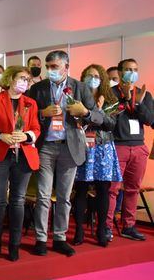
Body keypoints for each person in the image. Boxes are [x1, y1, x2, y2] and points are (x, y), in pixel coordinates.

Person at [27, 50, 103, 257]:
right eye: (48, 67)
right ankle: (41, 239)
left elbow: (99, 116)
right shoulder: (37, 88)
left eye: (55, 67)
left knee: (64, 197)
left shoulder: (80, 87)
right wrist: (42, 113)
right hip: (45, 147)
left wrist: (85, 112)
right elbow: (24, 114)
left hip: (70, 147)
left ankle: (60, 237)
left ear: (66, 67)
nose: (51, 70)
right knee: (43, 196)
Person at [0, 66, 40, 261]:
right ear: (10, 78)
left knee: (18, 200)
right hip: (0, 153)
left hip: (23, 155)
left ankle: (14, 244)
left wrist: (27, 136)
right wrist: (0, 135)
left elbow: (37, 129)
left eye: (27, 79)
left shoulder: (31, 102)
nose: (25, 81)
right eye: (22, 77)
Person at [72, 64, 121, 247]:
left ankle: (101, 230)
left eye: (96, 76)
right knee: (81, 189)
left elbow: (110, 124)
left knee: (103, 189)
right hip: (81, 146)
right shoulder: (76, 98)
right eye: (88, 75)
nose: (92, 79)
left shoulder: (109, 99)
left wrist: (98, 110)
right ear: (83, 77)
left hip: (103, 147)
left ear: (102, 79)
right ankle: (79, 230)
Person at [107, 58, 153, 241]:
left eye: (134, 69)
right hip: (118, 145)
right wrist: (124, 99)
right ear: (119, 72)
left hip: (138, 147)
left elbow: (150, 120)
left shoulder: (144, 94)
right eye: (127, 69)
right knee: (112, 189)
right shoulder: (110, 93)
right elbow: (107, 118)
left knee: (133, 189)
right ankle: (106, 227)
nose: (131, 73)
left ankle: (129, 226)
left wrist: (138, 103)